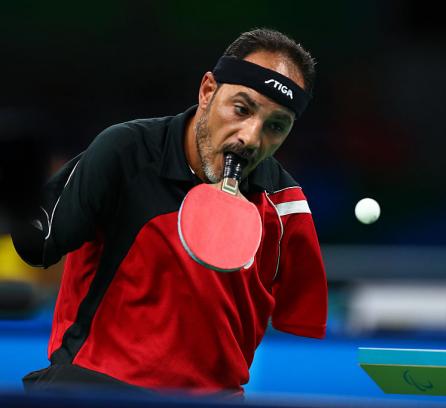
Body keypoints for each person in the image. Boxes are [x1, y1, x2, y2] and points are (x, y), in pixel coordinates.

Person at [11, 28, 328, 395]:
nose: (250, 138)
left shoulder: (286, 205)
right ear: (208, 90)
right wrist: (17, 191)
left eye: (276, 127)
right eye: (241, 109)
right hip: (94, 386)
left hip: (213, 399)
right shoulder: (126, 152)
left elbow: (302, 318)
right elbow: (38, 246)